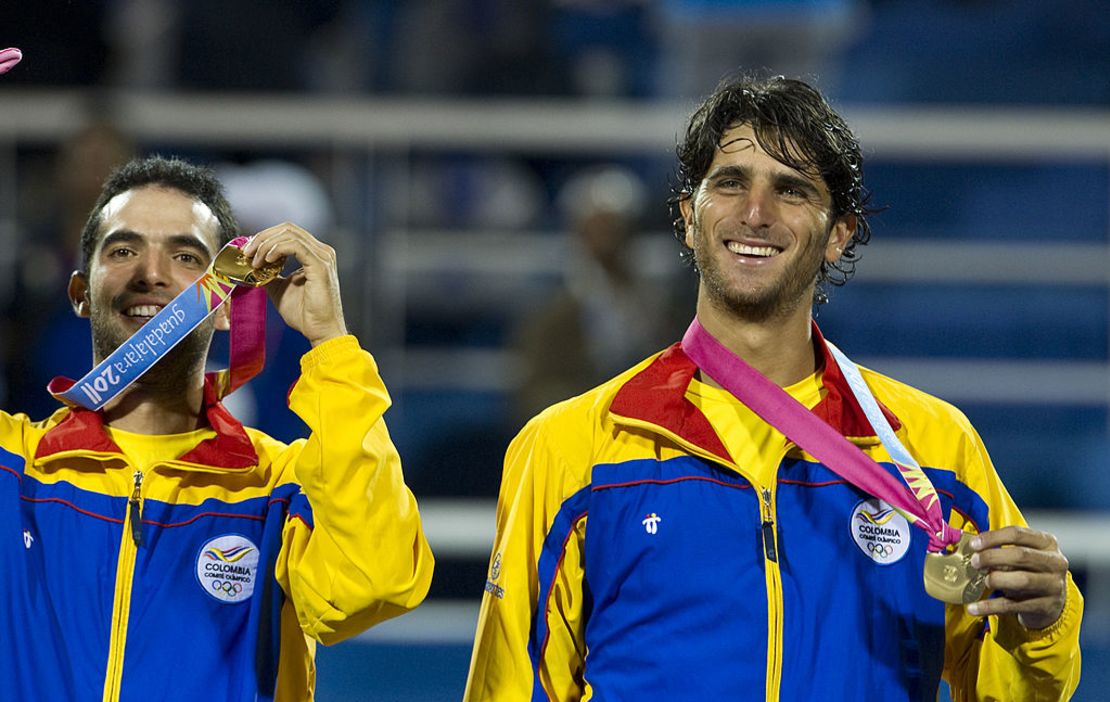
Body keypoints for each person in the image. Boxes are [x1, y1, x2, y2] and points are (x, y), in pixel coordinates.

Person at [464, 75, 1082, 700]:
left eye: (791, 190)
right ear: (687, 217)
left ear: (838, 233)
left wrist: (1041, 624)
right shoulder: (572, 448)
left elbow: (1010, 688)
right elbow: (510, 684)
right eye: (729, 183)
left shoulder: (931, 450)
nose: (755, 213)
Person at [0, 156, 434, 700]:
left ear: (229, 302)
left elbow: (375, 585)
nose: (151, 272)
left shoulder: (279, 485)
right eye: (123, 250)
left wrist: (331, 345)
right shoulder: (12, 465)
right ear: (81, 294)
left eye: (184, 255)